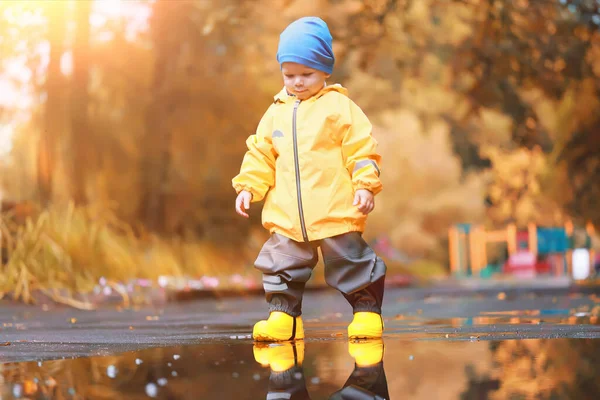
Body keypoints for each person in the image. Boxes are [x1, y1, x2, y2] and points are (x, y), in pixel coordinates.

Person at [232, 16, 386, 342]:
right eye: (289, 75)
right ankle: (283, 319)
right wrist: (248, 187)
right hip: (287, 215)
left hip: (335, 209)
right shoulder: (275, 111)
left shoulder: (339, 108)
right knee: (280, 265)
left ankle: (366, 313)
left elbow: (361, 151)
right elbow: (261, 154)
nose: (298, 82)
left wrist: (364, 185)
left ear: (325, 71)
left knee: (351, 261)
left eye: (307, 74)